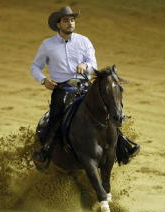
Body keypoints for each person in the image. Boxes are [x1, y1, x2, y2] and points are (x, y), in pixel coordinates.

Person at [30, 6, 140, 169]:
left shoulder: (84, 41)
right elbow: (35, 67)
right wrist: (43, 80)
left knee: (110, 109)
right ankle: (46, 151)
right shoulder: (47, 45)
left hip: (85, 87)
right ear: (58, 24)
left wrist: (85, 65)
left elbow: (93, 64)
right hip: (63, 89)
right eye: (66, 20)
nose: (70, 23)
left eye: (72, 20)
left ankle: (122, 145)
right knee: (56, 117)